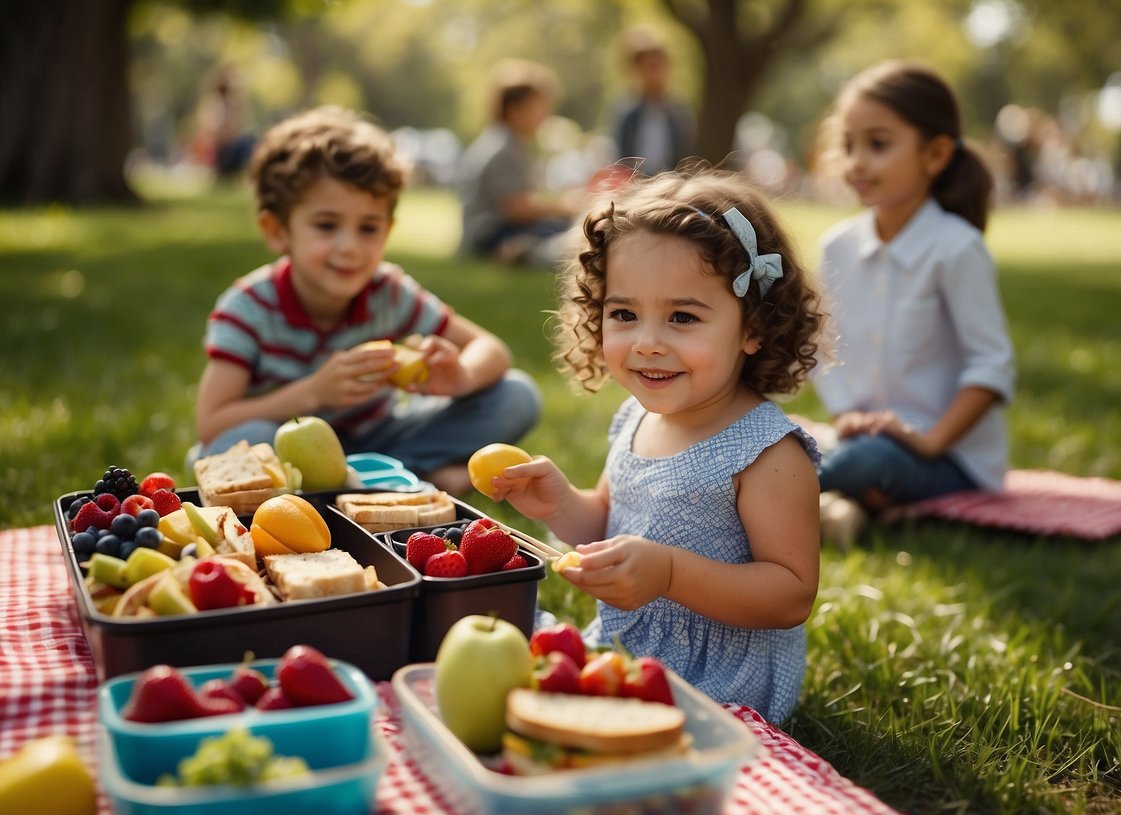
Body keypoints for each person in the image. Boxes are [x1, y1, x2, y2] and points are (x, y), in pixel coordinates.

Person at [489, 169, 826, 724]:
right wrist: (560, 505)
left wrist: (670, 574)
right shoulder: (635, 419)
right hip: (628, 651)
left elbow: (789, 594)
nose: (647, 342)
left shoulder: (767, 452)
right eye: (624, 314)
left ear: (753, 327)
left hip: (718, 681)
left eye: (683, 318)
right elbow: (608, 526)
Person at [193, 106, 542, 494]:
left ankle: (376, 477)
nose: (350, 247)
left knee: (516, 395)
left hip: (381, 437)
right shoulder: (247, 309)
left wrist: (462, 377)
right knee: (238, 442)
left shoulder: (387, 293)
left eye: (368, 228)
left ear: (388, 230)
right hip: (283, 452)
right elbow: (212, 422)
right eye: (326, 225)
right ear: (277, 230)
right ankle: (405, 479)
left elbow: (489, 349)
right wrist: (313, 393)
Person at [807, 60, 1016, 544]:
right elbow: (820, 349)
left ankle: (747, 506)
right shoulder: (837, 246)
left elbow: (992, 367)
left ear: (936, 154)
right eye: (848, 145)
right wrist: (845, 417)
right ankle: (839, 508)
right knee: (778, 434)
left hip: (946, 457)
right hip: (860, 440)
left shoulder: (956, 248)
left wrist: (928, 440)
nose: (856, 161)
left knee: (866, 462)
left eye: (877, 145)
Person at [456, 60, 578, 269]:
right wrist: (564, 206)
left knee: (563, 228)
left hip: (495, 230)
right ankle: (523, 252)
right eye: (539, 108)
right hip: (490, 234)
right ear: (514, 110)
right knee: (568, 230)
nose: (545, 115)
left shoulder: (509, 143)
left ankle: (526, 250)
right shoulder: (503, 148)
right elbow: (515, 208)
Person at [609, 27, 696, 177]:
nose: (653, 73)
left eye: (657, 66)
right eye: (648, 67)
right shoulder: (626, 113)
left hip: (671, 186)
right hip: (637, 187)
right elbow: (621, 158)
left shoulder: (679, 113)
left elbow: (687, 157)